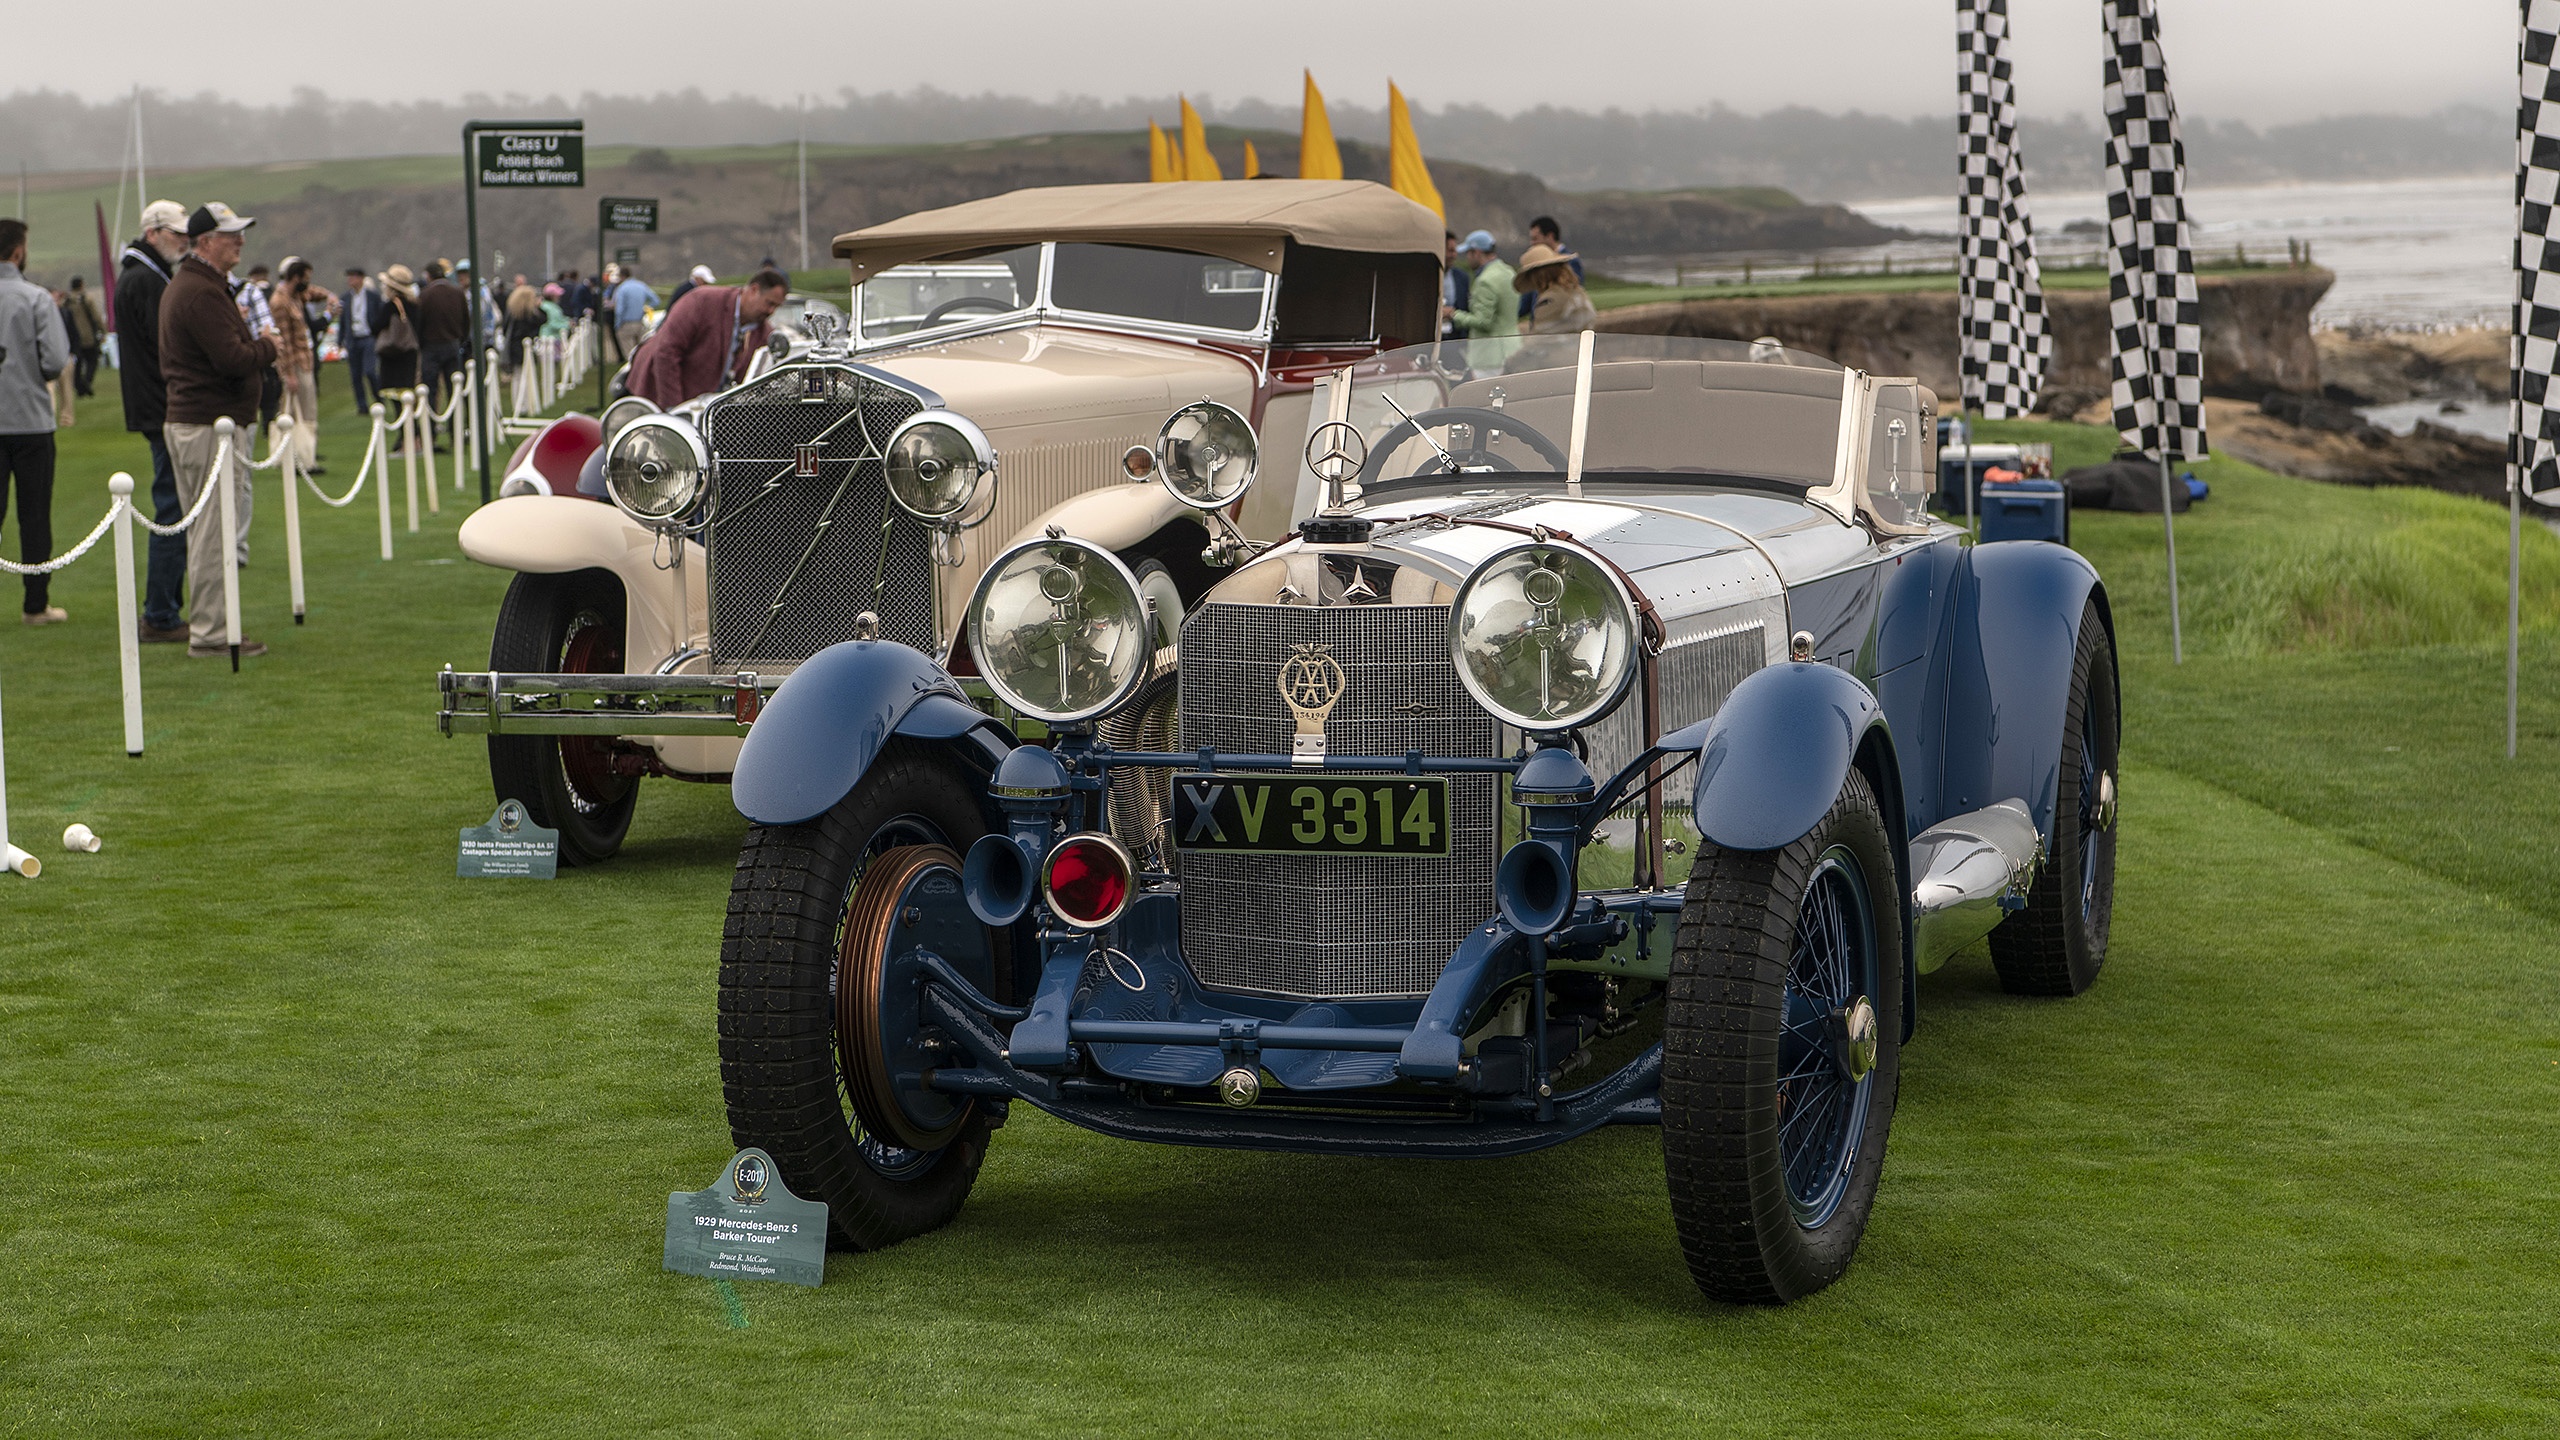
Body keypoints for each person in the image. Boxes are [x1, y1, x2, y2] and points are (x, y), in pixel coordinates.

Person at [160, 202, 277, 659]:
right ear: (206, 242)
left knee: (208, 531)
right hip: (208, 424)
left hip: (199, 422)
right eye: (231, 235)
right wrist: (267, 347)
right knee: (213, 533)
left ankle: (213, 624)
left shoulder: (197, 286)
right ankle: (211, 633)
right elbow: (231, 359)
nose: (241, 242)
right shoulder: (201, 293)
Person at [116, 199, 193, 642]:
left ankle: (163, 608)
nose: (182, 240)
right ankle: (161, 613)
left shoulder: (142, 275)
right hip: (162, 405)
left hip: (154, 403)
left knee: (174, 505)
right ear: (152, 233)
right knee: (172, 508)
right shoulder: (146, 279)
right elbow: (168, 346)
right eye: (175, 233)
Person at [0, 219, 72, 626]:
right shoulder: (36, 298)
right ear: (18, 251)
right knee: (33, 515)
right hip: (28, 421)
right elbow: (54, 361)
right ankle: (35, 605)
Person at [626, 267, 786, 409]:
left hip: (701, 404)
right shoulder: (702, 301)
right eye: (769, 303)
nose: (771, 311)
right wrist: (674, 410)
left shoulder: (763, 333)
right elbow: (666, 351)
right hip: (654, 390)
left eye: (776, 307)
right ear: (753, 290)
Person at [269, 258, 325, 474]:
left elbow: (314, 293)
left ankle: (304, 457)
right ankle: (299, 459)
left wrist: (328, 298)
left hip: (305, 361)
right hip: (296, 366)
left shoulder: (296, 296)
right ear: (295, 278)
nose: (308, 283)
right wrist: (289, 374)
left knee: (305, 412)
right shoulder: (280, 303)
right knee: (299, 413)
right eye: (305, 278)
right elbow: (286, 342)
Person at [1447, 230, 1520, 370]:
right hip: (1512, 350)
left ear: (1477, 253)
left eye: (1469, 253)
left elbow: (1483, 321)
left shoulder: (1485, 281)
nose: (1467, 258)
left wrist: (1453, 314)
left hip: (1490, 358)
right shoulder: (1509, 272)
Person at [417, 260, 469, 449]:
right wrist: (459, 339)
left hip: (431, 347)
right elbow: (466, 321)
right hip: (452, 345)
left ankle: (430, 436)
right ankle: (456, 434)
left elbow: (419, 324)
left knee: (430, 393)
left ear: (429, 276)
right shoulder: (457, 293)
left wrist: (422, 344)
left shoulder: (425, 295)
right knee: (454, 392)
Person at [374, 265, 422, 448]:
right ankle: (412, 437)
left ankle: (407, 438)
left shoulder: (391, 306)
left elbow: (375, 326)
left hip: (393, 358)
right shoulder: (414, 305)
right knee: (408, 399)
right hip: (409, 356)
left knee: (398, 401)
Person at [1515, 243, 1595, 336]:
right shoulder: (1578, 292)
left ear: (1536, 276)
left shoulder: (1550, 300)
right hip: (1581, 348)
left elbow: (1539, 337)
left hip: (1563, 349)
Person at [1518, 217, 1584, 323]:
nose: (1532, 243)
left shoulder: (1570, 262)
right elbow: (1526, 301)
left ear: (1550, 236)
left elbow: (1572, 294)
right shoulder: (1537, 265)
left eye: (1535, 238)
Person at [340, 266, 383, 412]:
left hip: (368, 337)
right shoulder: (345, 298)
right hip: (353, 339)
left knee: (370, 371)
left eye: (353, 277)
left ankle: (378, 398)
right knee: (355, 374)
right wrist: (340, 341)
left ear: (361, 278)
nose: (350, 280)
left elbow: (379, 316)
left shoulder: (372, 296)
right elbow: (343, 321)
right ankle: (362, 405)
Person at [63, 276, 105, 397]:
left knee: (78, 363)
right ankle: (86, 383)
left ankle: (80, 386)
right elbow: (96, 316)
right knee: (92, 360)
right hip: (88, 335)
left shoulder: (67, 300)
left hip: (72, 337)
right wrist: (102, 331)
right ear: (81, 285)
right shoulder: (86, 298)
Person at [608, 265, 652, 370]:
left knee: (629, 354)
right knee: (643, 352)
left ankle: (633, 374)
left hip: (626, 324)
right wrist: (645, 309)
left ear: (622, 276)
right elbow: (655, 300)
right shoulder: (641, 285)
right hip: (640, 322)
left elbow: (619, 310)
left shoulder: (621, 289)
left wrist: (618, 325)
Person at [500, 283, 544, 389]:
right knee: (522, 375)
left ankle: (520, 401)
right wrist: (539, 307)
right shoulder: (528, 316)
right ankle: (523, 402)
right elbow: (542, 319)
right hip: (521, 349)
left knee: (517, 376)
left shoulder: (513, 314)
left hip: (514, 348)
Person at [1439, 231, 1470, 340]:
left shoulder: (1462, 277)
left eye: (1455, 251)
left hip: (1455, 341)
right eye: (1450, 251)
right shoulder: (1425, 278)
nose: (1454, 255)